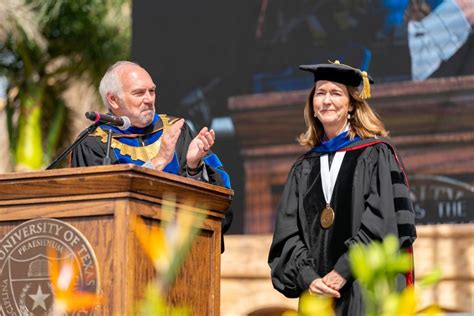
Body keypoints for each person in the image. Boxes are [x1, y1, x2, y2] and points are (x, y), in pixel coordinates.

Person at [268, 61, 417, 315]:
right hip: (317, 299)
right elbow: (287, 237)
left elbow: (384, 223)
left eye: (336, 93)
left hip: (364, 290)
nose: (327, 100)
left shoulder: (375, 154)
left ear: (351, 105)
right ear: (312, 106)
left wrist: (343, 270)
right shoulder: (303, 168)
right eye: (320, 93)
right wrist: (309, 278)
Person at [70, 61, 232, 234]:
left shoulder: (177, 130)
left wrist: (194, 167)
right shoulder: (94, 143)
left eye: (152, 91)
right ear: (113, 99)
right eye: (139, 93)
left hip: (179, 247)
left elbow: (220, 203)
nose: (149, 99)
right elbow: (96, 214)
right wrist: (159, 161)